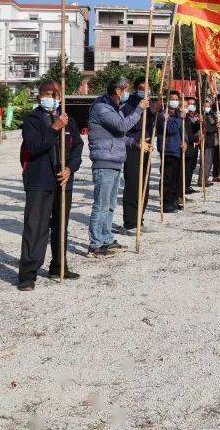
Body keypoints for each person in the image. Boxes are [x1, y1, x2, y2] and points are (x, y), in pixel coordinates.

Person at [17, 81, 83, 291]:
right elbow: (34, 146)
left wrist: (70, 168)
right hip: (39, 180)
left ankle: (59, 266)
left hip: (62, 180)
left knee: (60, 225)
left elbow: (77, 147)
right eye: (47, 93)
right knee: (35, 227)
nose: (52, 97)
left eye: (56, 94)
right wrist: (54, 128)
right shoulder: (32, 120)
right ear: (39, 97)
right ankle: (28, 274)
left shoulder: (68, 120)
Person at [88, 77, 146, 257]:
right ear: (118, 90)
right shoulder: (102, 107)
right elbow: (122, 126)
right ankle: (95, 244)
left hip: (115, 161)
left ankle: (107, 238)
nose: (128, 93)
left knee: (110, 204)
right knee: (101, 204)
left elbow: (118, 135)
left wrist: (135, 143)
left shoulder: (115, 108)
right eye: (126, 89)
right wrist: (139, 109)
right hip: (104, 162)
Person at [120, 77, 157, 234]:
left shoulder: (151, 102)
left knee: (144, 184)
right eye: (142, 87)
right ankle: (129, 222)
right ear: (136, 89)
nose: (145, 90)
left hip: (147, 145)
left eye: (147, 87)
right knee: (133, 184)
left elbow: (155, 125)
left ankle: (139, 219)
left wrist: (156, 113)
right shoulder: (129, 104)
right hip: (133, 146)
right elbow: (130, 125)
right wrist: (141, 109)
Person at [157, 90, 187, 214]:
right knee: (167, 178)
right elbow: (170, 129)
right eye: (172, 99)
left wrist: (184, 141)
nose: (174, 101)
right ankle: (166, 203)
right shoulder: (163, 114)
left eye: (176, 99)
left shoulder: (178, 113)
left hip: (178, 150)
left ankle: (174, 200)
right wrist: (180, 118)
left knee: (176, 178)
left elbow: (182, 131)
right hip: (168, 149)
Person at [183, 95, 201, 195]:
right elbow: (187, 133)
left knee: (192, 166)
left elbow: (194, 129)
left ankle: (188, 185)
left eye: (193, 104)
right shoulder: (185, 117)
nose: (191, 106)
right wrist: (196, 138)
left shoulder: (194, 116)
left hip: (194, 145)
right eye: (189, 105)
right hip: (187, 144)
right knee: (187, 167)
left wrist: (199, 123)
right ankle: (184, 186)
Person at [200, 96, 219, 186]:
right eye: (206, 103)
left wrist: (217, 124)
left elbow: (214, 123)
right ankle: (202, 180)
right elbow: (206, 128)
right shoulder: (202, 114)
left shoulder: (211, 113)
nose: (207, 104)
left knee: (209, 161)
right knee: (205, 162)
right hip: (206, 140)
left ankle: (205, 178)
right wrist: (216, 127)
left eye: (208, 103)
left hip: (211, 140)